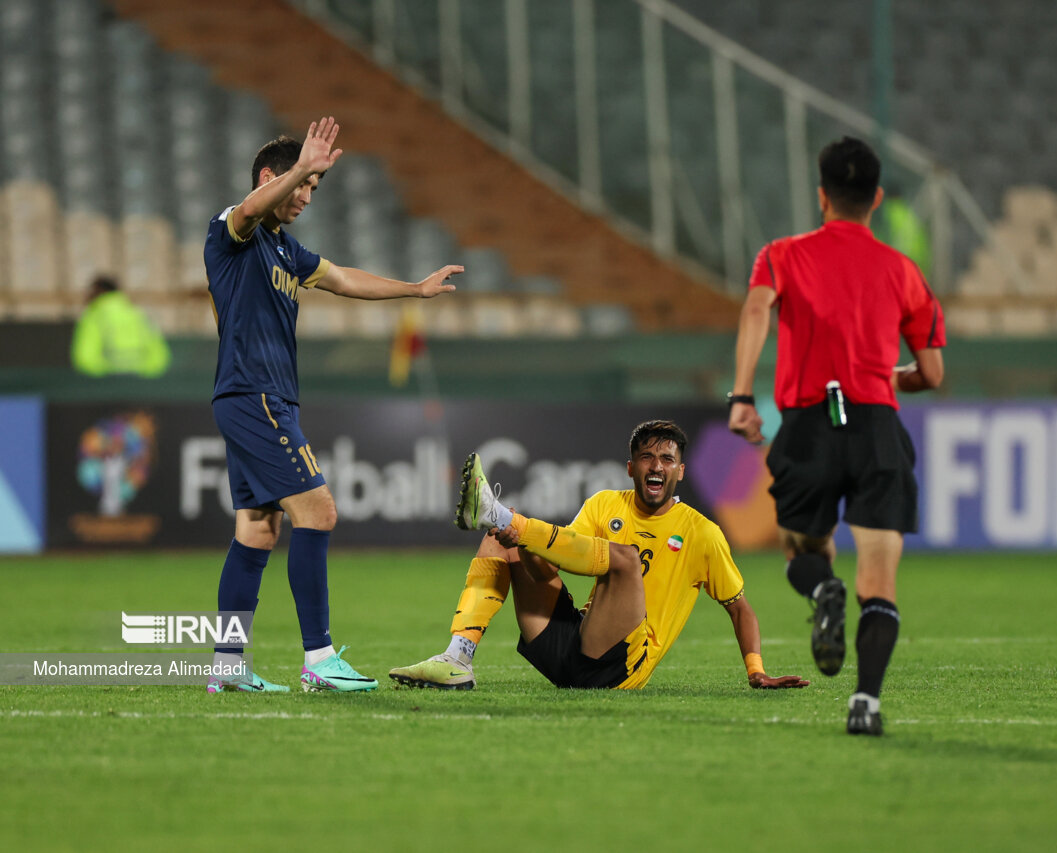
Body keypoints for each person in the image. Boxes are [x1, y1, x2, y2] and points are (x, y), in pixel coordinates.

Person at [205, 116, 463, 693]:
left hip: (262, 399)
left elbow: (343, 279)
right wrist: (301, 166)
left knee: (257, 529)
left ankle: (227, 667)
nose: (306, 196)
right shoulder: (231, 230)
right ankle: (319, 661)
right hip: (256, 397)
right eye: (302, 185)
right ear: (274, 176)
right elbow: (247, 210)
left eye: (315, 188)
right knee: (318, 513)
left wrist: (414, 290)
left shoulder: (283, 249)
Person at [727, 136, 946, 735]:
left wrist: (744, 396)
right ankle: (866, 704)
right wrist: (893, 374)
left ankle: (825, 588)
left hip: (808, 425)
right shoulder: (904, 271)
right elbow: (931, 373)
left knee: (803, 550)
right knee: (881, 577)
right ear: (876, 199)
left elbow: (755, 311)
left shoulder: (781, 256)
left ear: (821, 196)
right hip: (875, 423)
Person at [389, 420, 809, 693]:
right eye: (647, 457)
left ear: (679, 471)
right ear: (631, 467)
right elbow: (551, 563)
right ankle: (458, 656)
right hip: (573, 647)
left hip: (622, 667)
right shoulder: (606, 503)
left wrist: (756, 670)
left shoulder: (703, 533)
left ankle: (503, 515)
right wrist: (520, 540)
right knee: (502, 542)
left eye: (667, 459)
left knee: (623, 560)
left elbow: (740, 608)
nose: (656, 465)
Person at [70, 275, 171, 377]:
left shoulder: (93, 316)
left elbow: (84, 358)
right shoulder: (137, 314)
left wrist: (108, 374)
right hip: (142, 385)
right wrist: (142, 375)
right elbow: (159, 356)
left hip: (105, 385)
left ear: (98, 292)